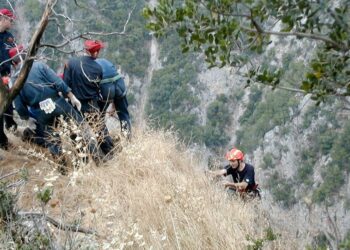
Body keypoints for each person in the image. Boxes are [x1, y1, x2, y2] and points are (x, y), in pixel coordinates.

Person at [10, 46, 100, 171]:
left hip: (40, 112)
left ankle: (63, 171)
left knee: (53, 142)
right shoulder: (39, 66)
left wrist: (27, 118)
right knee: (79, 129)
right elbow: (58, 82)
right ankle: (94, 161)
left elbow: (19, 105)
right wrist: (72, 96)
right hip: (57, 103)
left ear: (14, 63)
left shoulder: (14, 79)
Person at [63, 40, 114, 155]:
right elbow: (97, 88)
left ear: (85, 50)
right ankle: (111, 155)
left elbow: (65, 86)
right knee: (100, 131)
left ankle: (83, 158)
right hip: (91, 105)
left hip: (74, 104)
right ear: (95, 53)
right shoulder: (98, 68)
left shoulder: (70, 63)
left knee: (75, 133)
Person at [95, 58, 131, 139]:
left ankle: (106, 142)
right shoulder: (106, 61)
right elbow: (115, 84)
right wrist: (114, 105)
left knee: (99, 117)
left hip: (106, 88)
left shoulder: (91, 66)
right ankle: (127, 140)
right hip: (119, 83)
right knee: (124, 114)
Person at [0, 8, 17, 150]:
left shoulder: (9, 37)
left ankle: (11, 127)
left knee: (8, 104)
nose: (11, 23)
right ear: (3, 19)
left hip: (5, 76)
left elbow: (14, 53)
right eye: (10, 20)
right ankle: (2, 141)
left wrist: (17, 59)